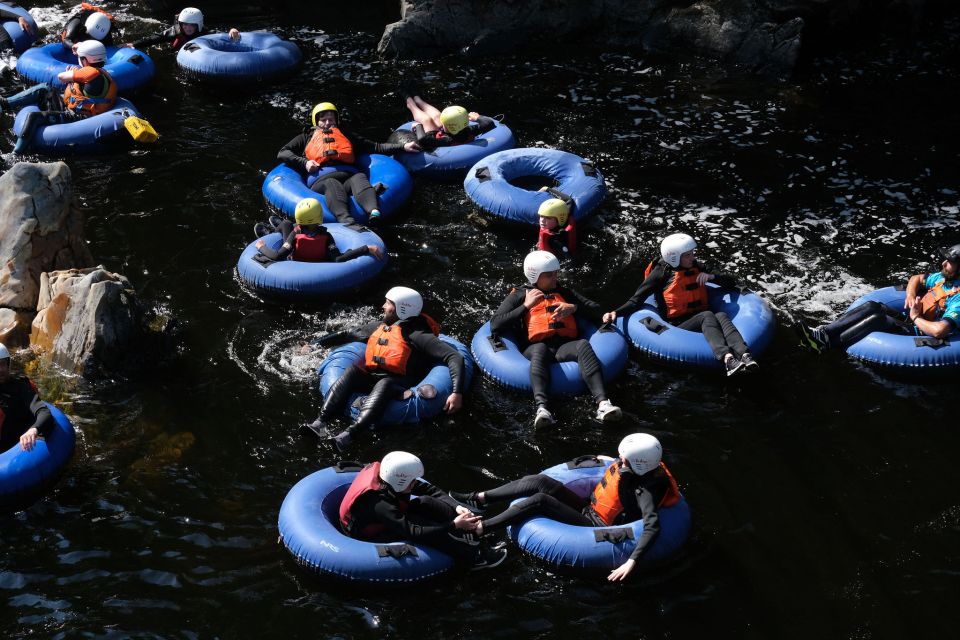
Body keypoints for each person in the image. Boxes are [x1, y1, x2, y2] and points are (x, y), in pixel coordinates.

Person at [449, 433, 679, 582]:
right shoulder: (642, 466)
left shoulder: (646, 490)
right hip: (590, 507)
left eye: (623, 460)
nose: (620, 462)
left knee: (541, 500)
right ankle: (479, 499)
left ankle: (480, 529)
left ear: (640, 464)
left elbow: (651, 525)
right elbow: (618, 473)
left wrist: (632, 561)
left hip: (595, 525)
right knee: (540, 482)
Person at [304, 286, 466, 451]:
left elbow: (454, 357)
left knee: (385, 383)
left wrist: (456, 393)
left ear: (401, 309)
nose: (383, 306)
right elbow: (347, 334)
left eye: (388, 303)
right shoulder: (383, 326)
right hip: (376, 378)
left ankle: (349, 435)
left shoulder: (418, 334)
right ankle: (320, 423)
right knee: (353, 371)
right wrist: (313, 345)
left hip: (401, 385)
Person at [491, 250, 622, 428]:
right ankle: (542, 409)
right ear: (534, 276)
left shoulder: (564, 292)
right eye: (549, 275)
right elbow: (496, 324)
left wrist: (574, 308)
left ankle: (603, 404)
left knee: (583, 344)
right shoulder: (520, 295)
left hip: (563, 346)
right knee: (540, 350)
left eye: (556, 273)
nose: (555, 278)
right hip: (534, 347)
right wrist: (526, 306)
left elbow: (598, 310)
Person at [603, 233, 759, 376]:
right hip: (678, 324)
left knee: (721, 315)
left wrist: (711, 276)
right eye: (687, 255)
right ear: (674, 258)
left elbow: (730, 281)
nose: (693, 258)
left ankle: (744, 354)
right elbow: (637, 299)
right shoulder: (661, 273)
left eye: (692, 253)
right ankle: (727, 359)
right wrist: (616, 312)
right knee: (708, 315)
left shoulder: (696, 266)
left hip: (702, 317)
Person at [339, 451, 508, 570]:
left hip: (387, 516)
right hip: (370, 532)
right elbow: (413, 531)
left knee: (426, 501)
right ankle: (474, 557)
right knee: (421, 524)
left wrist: (457, 507)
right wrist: (453, 526)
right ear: (400, 482)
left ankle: (473, 533)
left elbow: (429, 490)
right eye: (412, 481)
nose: (415, 483)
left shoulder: (391, 480)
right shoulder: (380, 503)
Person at [277, 101, 420, 227]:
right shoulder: (305, 137)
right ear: (316, 122)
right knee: (332, 183)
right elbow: (283, 152)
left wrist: (403, 147)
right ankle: (347, 221)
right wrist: (305, 162)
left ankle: (374, 211)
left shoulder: (346, 135)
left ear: (337, 120)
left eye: (331, 119)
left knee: (359, 177)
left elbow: (376, 147)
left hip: (349, 177)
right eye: (323, 120)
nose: (328, 123)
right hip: (322, 181)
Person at [795, 243, 960, 352]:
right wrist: (910, 295)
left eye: (950, 261)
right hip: (912, 319)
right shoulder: (942, 278)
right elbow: (915, 278)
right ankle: (822, 333)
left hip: (921, 333)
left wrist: (915, 317)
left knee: (878, 319)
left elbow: (939, 331)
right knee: (872, 306)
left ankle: (826, 345)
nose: (943, 263)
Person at [0, 39, 117, 154]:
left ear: (86, 60)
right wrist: (76, 72)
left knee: (33, 117)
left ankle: (16, 154)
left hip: (77, 118)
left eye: (81, 58)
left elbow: (61, 77)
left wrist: (72, 73)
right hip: (76, 110)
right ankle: (5, 103)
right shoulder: (101, 73)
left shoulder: (89, 72)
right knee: (44, 88)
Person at [253, 197, 384, 263]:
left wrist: (262, 247)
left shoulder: (295, 234)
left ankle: (273, 232)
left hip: (293, 259)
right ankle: (276, 230)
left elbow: (277, 256)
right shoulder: (326, 237)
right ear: (319, 217)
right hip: (317, 260)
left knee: (286, 223)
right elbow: (338, 258)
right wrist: (366, 248)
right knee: (287, 224)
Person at [0, 343, 53, 453]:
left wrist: (33, 430)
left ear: (8, 364)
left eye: (2, 364)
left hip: (16, 448)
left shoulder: (21, 387)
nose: (0, 370)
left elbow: (44, 412)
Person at [402, 96, 496, 152]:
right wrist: (477, 117)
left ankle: (410, 102)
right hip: (453, 133)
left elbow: (423, 139)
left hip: (435, 136)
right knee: (438, 116)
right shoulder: (470, 130)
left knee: (426, 120)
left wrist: (418, 126)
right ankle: (417, 99)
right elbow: (489, 123)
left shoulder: (446, 140)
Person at [123, 7, 239, 51]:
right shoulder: (174, 31)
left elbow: (220, 34)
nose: (187, 28)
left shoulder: (205, 32)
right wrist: (134, 44)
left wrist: (232, 30)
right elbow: (155, 38)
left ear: (198, 25)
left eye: (192, 25)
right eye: (185, 24)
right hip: (178, 50)